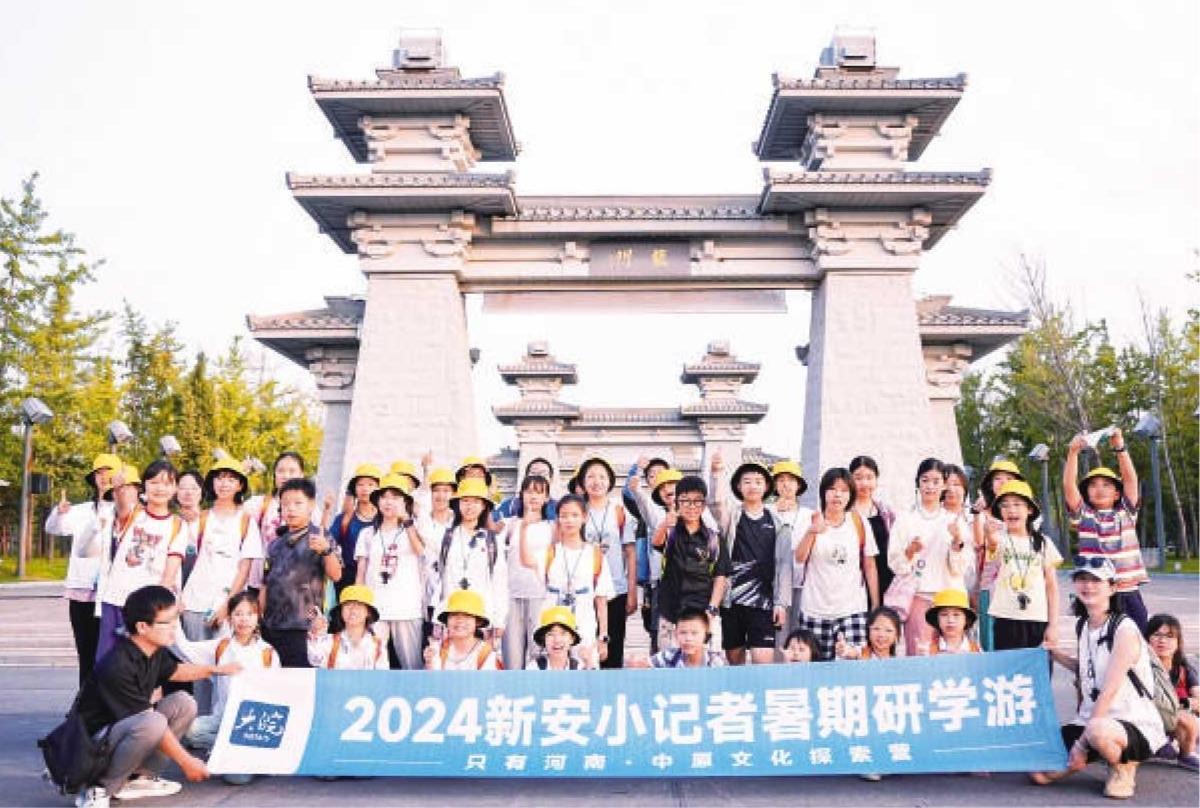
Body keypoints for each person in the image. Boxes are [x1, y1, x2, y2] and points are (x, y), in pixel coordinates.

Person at [73, 585, 240, 808]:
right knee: (151, 722)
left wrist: (216, 670)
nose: (175, 628)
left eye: (175, 620)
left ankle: (140, 778)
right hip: (88, 750)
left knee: (184, 703)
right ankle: (98, 788)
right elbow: (147, 720)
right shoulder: (118, 665)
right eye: (167, 623)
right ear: (142, 627)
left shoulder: (152, 649)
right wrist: (187, 762)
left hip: (118, 735)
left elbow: (176, 671)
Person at [1034, 558, 1167, 800]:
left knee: (1097, 731)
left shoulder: (1124, 630)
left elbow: (1108, 690)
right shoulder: (1084, 625)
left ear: (1112, 588)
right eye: (1082, 579)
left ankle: (1123, 766)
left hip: (1130, 723)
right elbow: (1087, 671)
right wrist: (1054, 654)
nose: (1088, 586)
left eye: (1096, 580)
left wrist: (1080, 745)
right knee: (1039, 773)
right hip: (1091, 718)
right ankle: (1097, 752)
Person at [179, 459, 263, 701]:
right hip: (195, 602)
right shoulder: (202, 518)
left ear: (240, 485)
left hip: (229, 607)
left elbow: (244, 567)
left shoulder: (246, 521)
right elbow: (181, 555)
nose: (224, 483)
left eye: (231, 478)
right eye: (219, 477)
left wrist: (228, 605)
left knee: (227, 668)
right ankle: (199, 719)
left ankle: (222, 718)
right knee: (198, 668)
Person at [89, 460, 188, 662]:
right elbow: (121, 505)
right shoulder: (134, 513)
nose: (160, 488)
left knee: (146, 664)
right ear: (144, 486)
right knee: (109, 663)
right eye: (154, 482)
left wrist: (158, 608)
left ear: (175, 488)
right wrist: (118, 488)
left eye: (167, 483)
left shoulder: (178, 525)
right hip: (117, 601)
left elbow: (170, 572)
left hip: (148, 609)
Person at [173, 591, 278, 775]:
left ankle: (249, 752)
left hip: (252, 723)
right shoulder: (221, 646)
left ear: (258, 618)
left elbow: (275, 696)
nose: (244, 619)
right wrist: (173, 617)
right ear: (229, 618)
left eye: (250, 614)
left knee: (236, 778)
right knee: (191, 732)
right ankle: (228, 748)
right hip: (222, 718)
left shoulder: (267, 653)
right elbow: (185, 649)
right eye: (238, 614)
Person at [710, 452, 793, 665]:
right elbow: (717, 505)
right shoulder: (732, 516)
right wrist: (716, 475)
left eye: (758, 481)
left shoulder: (778, 522)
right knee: (735, 663)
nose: (753, 486)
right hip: (732, 601)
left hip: (764, 603)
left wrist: (781, 603)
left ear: (766, 486)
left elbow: (784, 565)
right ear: (738, 487)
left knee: (762, 662)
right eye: (747, 481)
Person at [1064, 429, 1150, 632]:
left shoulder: (1126, 512)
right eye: (1093, 485)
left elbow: (1131, 480)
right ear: (1086, 493)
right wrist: (1073, 453)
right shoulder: (1084, 516)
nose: (1100, 489)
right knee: (1098, 642)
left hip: (1127, 591)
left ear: (1117, 493)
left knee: (1138, 639)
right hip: (1097, 593)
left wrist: (1119, 447)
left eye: (1106, 485)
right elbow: (1069, 485)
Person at [47, 452, 119, 684]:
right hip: (83, 591)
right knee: (86, 653)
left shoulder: (128, 511)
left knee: (112, 655)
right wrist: (59, 513)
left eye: (109, 472)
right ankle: (85, 701)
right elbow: (54, 528)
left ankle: (109, 701)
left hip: (113, 593)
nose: (104, 477)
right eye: (99, 473)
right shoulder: (81, 510)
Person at [794, 468, 880, 661]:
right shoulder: (810, 520)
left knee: (853, 666)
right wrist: (812, 531)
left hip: (852, 609)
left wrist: (875, 603)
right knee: (815, 667)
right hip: (815, 609)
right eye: (832, 489)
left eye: (844, 490)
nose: (837, 495)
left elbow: (869, 565)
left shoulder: (858, 522)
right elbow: (799, 558)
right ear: (823, 492)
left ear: (850, 494)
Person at [887, 458, 971, 656]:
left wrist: (957, 542)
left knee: (953, 653)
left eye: (936, 481)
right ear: (917, 483)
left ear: (944, 485)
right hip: (919, 595)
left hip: (950, 598)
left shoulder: (954, 520)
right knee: (919, 653)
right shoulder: (905, 519)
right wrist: (910, 551)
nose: (930, 486)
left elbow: (960, 568)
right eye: (925, 480)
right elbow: (895, 563)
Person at [258, 478, 343, 667]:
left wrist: (326, 550)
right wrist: (259, 619)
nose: (291, 509)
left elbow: (336, 575)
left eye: (298, 503)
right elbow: (266, 583)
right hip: (271, 626)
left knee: (300, 678)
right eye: (286, 504)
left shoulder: (321, 536)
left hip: (304, 627)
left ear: (311, 505)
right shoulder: (275, 543)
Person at [522, 494, 612, 668]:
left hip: (584, 624)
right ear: (558, 519)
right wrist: (524, 528)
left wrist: (603, 637)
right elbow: (527, 561)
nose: (569, 520)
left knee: (586, 671)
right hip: (553, 626)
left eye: (574, 515)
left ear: (584, 517)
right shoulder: (550, 551)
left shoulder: (595, 554)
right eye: (563, 516)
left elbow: (601, 599)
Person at [651, 475, 730, 653]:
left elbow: (720, 576)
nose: (692, 506)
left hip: (704, 611)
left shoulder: (714, 538)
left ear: (704, 504)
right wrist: (665, 523)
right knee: (670, 663)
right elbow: (656, 542)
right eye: (685, 501)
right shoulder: (670, 532)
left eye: (697, 501)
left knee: (708, 662)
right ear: (677, 503)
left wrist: (712, 609)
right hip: (671, 612)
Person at [354, 473, 424, 670]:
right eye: (384, 497)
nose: (388, 502)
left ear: (405, 502)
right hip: (375, 608)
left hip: (407, 608)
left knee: (412, 665)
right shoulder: (367, 533)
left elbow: (421, 551)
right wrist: (359, 605)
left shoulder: (413, 528)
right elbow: (361, 573)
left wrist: (407, 521)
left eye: (395, 497)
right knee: (372, 663)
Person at [985, 480, 1061, 651]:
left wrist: (1053, 625)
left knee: (1038, 666)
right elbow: (992, 544)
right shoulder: (1001, 539)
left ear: (1030, 509)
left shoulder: (1043, 543)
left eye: (1017, 504)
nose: (1011, 510)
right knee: (1007, 666)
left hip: (1037, 618)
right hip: (1006, 617)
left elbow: (1051, 586)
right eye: (1005, 505)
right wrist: (988, 533)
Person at [576, 456, 637, 669]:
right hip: (584, 592)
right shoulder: (578, 512)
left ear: (610, 481)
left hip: (616, 590)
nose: (597, 481)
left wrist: (632, 592)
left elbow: (630, 552)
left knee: (613, 649)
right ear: (582, 482)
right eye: (591, 476)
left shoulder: (619, 511)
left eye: (602, 477)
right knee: (584, 651)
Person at [432, 477, 508, 639]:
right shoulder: (445, 536)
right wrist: (437, 616)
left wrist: (499, 620)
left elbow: (499, 582)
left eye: (476, 501)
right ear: (458, 504)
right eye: (465, 500)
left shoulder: (492, 540)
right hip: (451, 613)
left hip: (482, 616)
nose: (469, 506)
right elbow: (438, 579)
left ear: (483, 506)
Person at [243, 452, 320, 594]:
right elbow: (233, 510)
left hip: (294, 586)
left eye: (292, 471)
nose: (286, 476)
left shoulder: (311, 509)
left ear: (301, 474)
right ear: (274, 474)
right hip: (259, 581)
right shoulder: (260, 503)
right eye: (281, 471)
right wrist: (241, 474)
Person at [972, 459, 1025, 651]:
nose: (1003, 482)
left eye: (1009, 478)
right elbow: (979, 543)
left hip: (1020, 581)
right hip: (991, 582)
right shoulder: (982, 512)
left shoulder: (1027, 511)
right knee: (991, 636)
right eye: (998, 478)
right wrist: (977, 514)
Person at [502, 474, 552, 670]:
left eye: (539, 492)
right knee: (512, 657)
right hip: (512, 595)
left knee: (537, 656)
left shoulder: (551, 527)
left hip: (540, 596)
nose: (533, 496)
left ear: (546, 498)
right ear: (521, 494)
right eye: (529, 491)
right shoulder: (510, 524)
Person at [1145, 613, 1199, 770]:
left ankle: (1185, 752)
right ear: (1147, 639)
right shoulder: (1140, 667)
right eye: (1157, 635)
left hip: (1178, 723)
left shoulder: (1183, 670)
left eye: (1169, 636)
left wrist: (1183, 704)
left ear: (1177, 642)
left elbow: (1198, 700)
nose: (1162, 641)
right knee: (1183, 718)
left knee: (1187, 719)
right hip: (1147, 721)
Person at [768, 460, 812, 644]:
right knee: (778, 638)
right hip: (774, 585)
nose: (786, 484)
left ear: (799, 484)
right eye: (780, 480)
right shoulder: (767, 512)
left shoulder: (809, 514)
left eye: (791, 480)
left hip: (804, 584)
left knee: (801, 638)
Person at [328, 463, 381, 596]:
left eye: (370, 485)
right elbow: (328, 543)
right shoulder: (344, 519)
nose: (365, 489)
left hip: (377, 579)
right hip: (348, 581)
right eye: (360, 484)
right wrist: (326, 511)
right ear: (354, 489)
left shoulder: (385, 520)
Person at [307, 585, 389, 669]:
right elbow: (314, 659)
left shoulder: (378, 645)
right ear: (341, 611)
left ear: (368, 613)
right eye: (348, 605)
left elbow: (383, 674)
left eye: (359, 605)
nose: (353, 610)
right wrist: (316, 632)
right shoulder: (330, 641)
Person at [849, 456, 897, 597]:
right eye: (858, 478)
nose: (864, 483)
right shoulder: (845, 513)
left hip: (887, 581)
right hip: (855, 583)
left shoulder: (887, 512)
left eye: (869, 477)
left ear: (876, 480)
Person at [423, 589, 501, 671]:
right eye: (454, 614)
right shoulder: (437, 649)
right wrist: (429, 664)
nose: (460, 620)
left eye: (467, 615)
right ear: (447, 621)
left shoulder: (486, 654)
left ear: (478, 622)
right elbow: (433, 678)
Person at [418, 467, 457, 624]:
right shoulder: (420, 522)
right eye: (436, 490)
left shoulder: (459, 523)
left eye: (446, 491)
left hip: (452, 591)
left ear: (454, 494)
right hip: (425, 587)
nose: (441, 495)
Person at [628, 608, 726, 669]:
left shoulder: (715, 661)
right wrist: (637, 662)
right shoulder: (668, 656)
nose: (688, 639)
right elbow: (644, 664)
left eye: (694, 633)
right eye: (683, 633)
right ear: (675, 634)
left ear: (706, 635)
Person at [527, 606, 583, 671]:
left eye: (563, 633)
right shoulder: (533, 668)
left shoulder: (580, 668)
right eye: (550, 634)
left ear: (572, 639)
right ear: (544, 639)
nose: (557, 640)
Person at [925, 588, 980, 654]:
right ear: (937, 619)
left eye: (956, 614)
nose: (950, 620)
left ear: (966, 619)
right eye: (944, 614)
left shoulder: (976, 650)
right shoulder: (927, 650)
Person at [836, 606, 901, 661]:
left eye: (888, 630)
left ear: (896, 635)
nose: (881, 634)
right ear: (868, 631)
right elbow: (852, 652)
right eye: (876, 629)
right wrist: (844, 650)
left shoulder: (898, 662)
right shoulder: (863, 653)